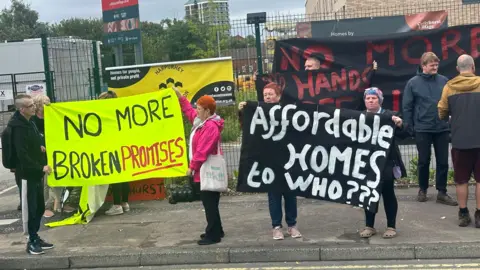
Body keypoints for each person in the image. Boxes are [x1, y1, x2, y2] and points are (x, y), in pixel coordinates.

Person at [238, 82, 302, 240]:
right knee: (274, 196)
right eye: (265, 94)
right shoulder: (258, 111)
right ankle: (276, 227)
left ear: (278, 96)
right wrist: (243, 111)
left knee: (290, 195)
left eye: (270, 94)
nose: (267, 97)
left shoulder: (288, 111)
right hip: (269, 162)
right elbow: (247, 128)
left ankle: (292, 226)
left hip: (287, 161)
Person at [402, 52, 457, 206]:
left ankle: (442, 192)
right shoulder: (413, 83)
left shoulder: (444, 81)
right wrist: (409, 125)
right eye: (432, 65)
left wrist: (451, 120)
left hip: (441, 127)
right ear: (423, 66)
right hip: (422, 128)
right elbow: (407, 107)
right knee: (423, 161)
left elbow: (451, 101)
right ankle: (422, 189)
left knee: (443, 162)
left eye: (436, 64)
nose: (435, 67)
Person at [174, 88, 225, 245]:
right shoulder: (202, 122)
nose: (196, 111)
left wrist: (192, 166)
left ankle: (213, 235)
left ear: (207, 111)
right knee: (210, 202)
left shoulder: (210, 127)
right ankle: (216, 229)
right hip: (205, 169)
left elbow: (203, 150)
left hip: (205, 169)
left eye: (199, 108)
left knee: (209, 203)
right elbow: (189, 112)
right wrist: (181, 98)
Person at [359, 87, 409, 239]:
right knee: (369, 194)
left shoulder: (391, 116)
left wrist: (400, 124)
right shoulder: (359, 117)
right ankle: (369, 226)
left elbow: (406, 134)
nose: (370, 100)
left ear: (379, 100)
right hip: (367, 163)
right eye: (368, 98)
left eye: (373, 98)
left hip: (386, 162)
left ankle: (391, 226)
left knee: (388, 194)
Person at [438, 54, 480, 227]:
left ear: (457, 69)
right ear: (473, 67)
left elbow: (441, 112)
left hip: (460, 141)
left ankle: (463, 213)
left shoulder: (449, 87)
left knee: (461, 179)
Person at [11, 94, 53, 255]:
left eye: (33, 105)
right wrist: (39, 167)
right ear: (22, 109)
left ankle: (35, 236)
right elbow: (22, 155)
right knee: (30, 208)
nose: (34, 107)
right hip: (27, 174)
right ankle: (31, 240)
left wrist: (40, 147)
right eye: (30, 106)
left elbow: (33, 142)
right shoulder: (18, 128)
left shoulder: (29, 123)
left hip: (35, 173)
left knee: (39, 207)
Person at [97, 91, 131, 216]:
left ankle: (117, 205)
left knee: (116, 176)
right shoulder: (119, 112)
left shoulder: (106, 115)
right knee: (124, 176)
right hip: (123, 147)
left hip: (112, 148)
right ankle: (124, 203)